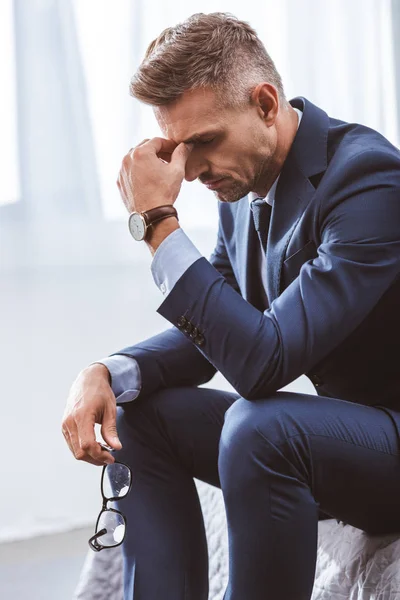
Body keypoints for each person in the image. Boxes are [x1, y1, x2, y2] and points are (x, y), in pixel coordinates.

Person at [62, 11, 400, 600]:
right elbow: (214, 333)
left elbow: (262, 363)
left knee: (258, 427)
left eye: (204, 143)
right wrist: (109, 372)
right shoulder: (241, 189)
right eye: (178, 148)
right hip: (345, 442)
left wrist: (158, 225)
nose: (189, 172)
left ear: (265, 103)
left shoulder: (369, 180)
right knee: (137, 411)